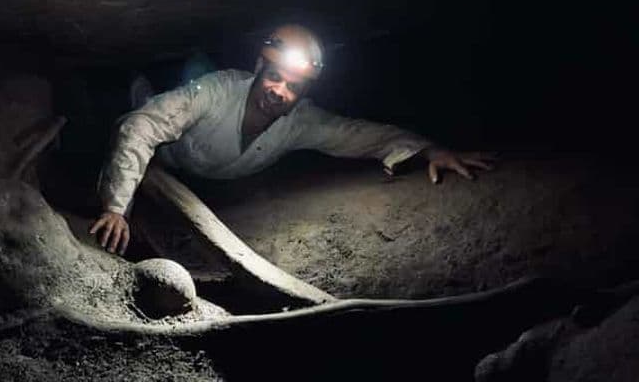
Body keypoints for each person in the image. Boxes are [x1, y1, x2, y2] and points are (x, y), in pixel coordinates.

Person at [89, 24, 495, 255]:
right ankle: (128, 71)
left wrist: (431, 149)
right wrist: (117, 207)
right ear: (258, 68)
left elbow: (358, 134)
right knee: (142, 102)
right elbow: (139, 129)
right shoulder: (217, 91)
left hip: (205, 169)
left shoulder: (300, 121)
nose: (280, 91)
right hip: (170, 141)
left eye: (293, 86)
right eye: (274, 77)